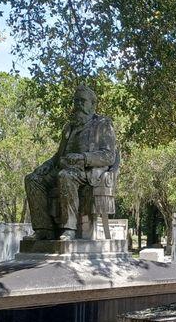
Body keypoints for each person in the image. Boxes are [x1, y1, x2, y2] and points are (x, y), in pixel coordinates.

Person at [25, 85, 117, 241]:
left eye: (82, 101)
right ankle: (43, 229)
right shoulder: (69, 126)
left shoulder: (103, 124)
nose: (78, 105)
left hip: (87, 171)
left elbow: (109, 156)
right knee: (32, 179)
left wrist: (84, 158)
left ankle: (69, 229)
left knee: (66, 175)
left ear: (93, 105)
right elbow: (58, 155)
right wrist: (46, 165)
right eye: (76, 101)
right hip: (64, 167)